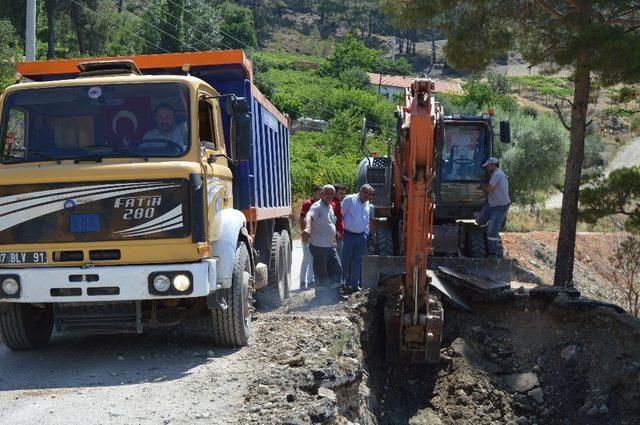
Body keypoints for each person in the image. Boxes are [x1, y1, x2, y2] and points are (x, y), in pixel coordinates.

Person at [302, 185, 343, 300]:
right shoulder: (317, 206)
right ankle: (321, 297)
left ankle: (334, 294)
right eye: (327, 193)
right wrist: (308, 228)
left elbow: (329, 224)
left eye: (331, 193)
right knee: (321, 272)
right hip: (319, 245)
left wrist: (334, 236)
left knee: (336, 269)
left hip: (329, 245)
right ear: (322, 194)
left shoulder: (330, 207)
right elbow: (308, 216)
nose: (329, 195)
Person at [340, 184, 375, 292]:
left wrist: (367, 233)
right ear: (360, 191)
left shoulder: (368, 204)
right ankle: (342, 284)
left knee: (357, 261)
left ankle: (355, 285)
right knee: (345, 260)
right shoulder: (349, 199)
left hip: (361, 236)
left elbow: (368, 219)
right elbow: (341, 215)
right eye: (365, 192)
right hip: (348, 235)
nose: (367, 195)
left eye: (369, 194)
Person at [475, 157, 510, 258]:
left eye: (488, 166)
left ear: (493, 165)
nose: (486, 168)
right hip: (491, 204)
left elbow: (488, 190)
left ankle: (493, 254)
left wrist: (482, 188)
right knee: (479, 221)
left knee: (492, 231)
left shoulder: (497, 174)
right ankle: (489, 227)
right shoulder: (496, 174)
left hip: (500, 207)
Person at [299, 186, 322, 290]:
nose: (320, 195)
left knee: (313, 259)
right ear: (314, 193)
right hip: (307, 235)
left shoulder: (321, 204)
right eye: (318, 193)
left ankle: (310, 281)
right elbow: (302, 218)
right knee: (306, 259)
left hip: (316, 236)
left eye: (321, 193)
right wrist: (304, 232)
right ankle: (302, 281)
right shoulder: (308, 203)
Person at [332, 184, 347, 256]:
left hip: (339, 235)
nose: (343, 196)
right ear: (334, 193)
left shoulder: (338, 203)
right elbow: (329, 220)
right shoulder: (333, 204)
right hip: (336, 236)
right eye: (340, 193)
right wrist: (336, 232)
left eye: (344, 193)